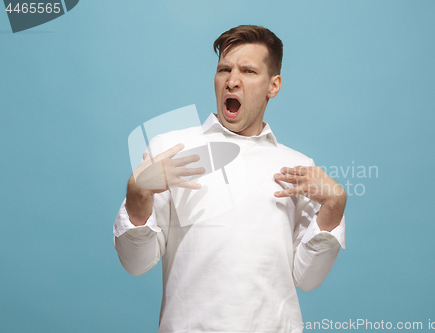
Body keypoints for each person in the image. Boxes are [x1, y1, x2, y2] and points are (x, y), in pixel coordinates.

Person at [113, 25, 347, 333]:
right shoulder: (169, 151)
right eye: (224, 69)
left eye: (248, 71)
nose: (232, 81)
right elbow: (136, 263)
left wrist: (333, 209)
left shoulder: (298, 167)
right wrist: (137, 196)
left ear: (273, 85)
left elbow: (307, 279)